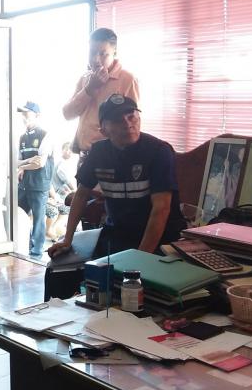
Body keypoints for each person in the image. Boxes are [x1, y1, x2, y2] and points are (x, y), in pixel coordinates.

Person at [48, 94, 187, 266]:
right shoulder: (98, 152)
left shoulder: (159, 151)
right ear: (104, 130)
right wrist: (67, 239)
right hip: (118, 233)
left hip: (162, 237)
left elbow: (161, 208)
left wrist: (140, 258)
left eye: (131, 116)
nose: (127, 124)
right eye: (117, 120)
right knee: (84, 274)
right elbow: (81, 195)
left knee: (131, 278)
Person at [62, 28, 140, 158]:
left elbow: (134, 124)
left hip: (112, 157)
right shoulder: (85, 79)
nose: (96, 59)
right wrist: (89, 89)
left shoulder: (127, 79)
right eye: (92, 53)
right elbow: (67, 114)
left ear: (114, 52)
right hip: (84, 155)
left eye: (103, 54)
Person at [16, 101, 53, 258]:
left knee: (38, 219)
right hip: (23, 184)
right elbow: (15, 162)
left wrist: (23, 166)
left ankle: (36, 253)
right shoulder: (22, 138)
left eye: (27, 113)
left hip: (39, 185)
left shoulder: (45, 134)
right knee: (18, 215)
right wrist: (27, 162)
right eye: (22, 114)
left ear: (37, 115)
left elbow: (40, 163)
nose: (24, 117)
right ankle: (21, 246)